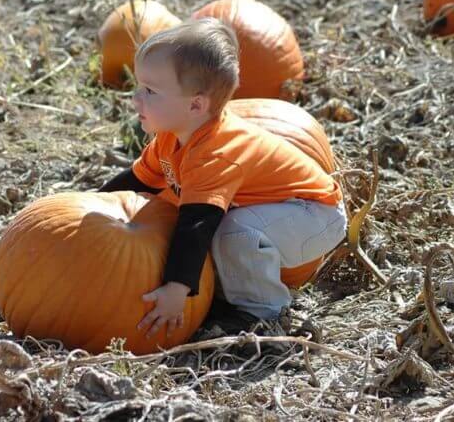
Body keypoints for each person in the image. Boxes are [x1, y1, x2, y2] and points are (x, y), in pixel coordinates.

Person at [98, 17, 346, 340]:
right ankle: (236, 294)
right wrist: (89, 204)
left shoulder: (215, 153)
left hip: (315, 215)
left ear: (196, 105)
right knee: (227, 230)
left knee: (230, 231)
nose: (135, 98)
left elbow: (196, 225)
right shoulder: (169, 138)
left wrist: (176, 290)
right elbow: (137, 181)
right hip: (278, 214)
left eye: (150, 91)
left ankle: (265, 314)